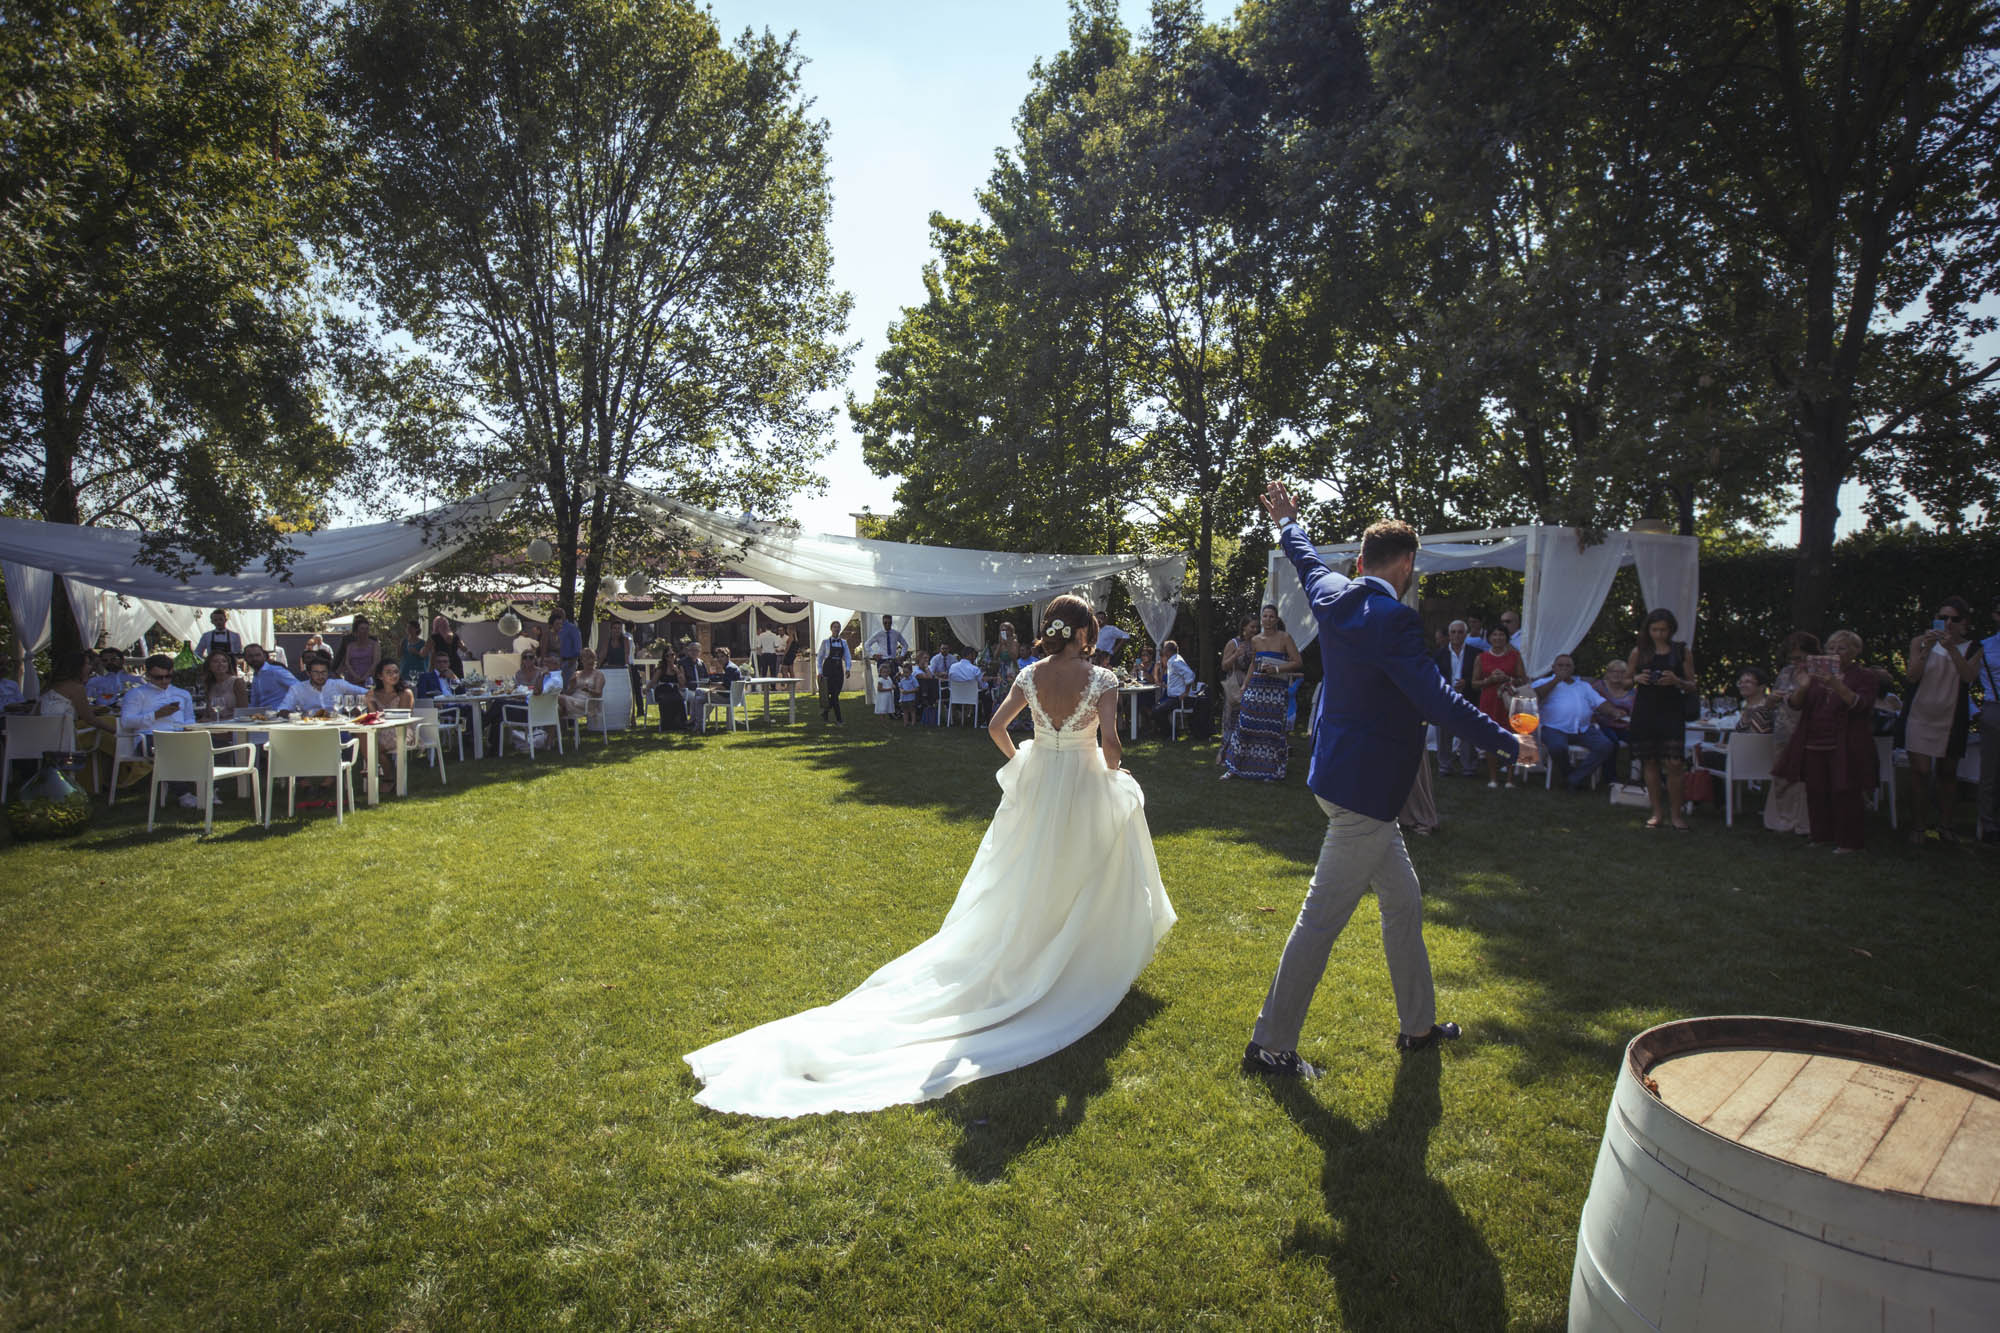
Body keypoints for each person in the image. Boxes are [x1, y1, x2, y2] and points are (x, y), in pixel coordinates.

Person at [684, 593, 1175, 1116]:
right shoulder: (1102, 679)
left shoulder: (1029, 675)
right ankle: (1076, 956)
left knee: (1028, 872)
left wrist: (1025, 761)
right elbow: (1111, 743)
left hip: (1040, 783)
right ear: (1084, 632)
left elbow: (996, 727)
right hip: (1083, 781)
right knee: (1087, 868)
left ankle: (1035, 947)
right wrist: (1112, 771)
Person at [1243, 485, 1520, 1079]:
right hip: (1364, 796)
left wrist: (1288, 520)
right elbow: (1439, 702)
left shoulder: (1332, 594)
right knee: (1319, 921)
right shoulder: (1395, 621)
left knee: (1403, 903)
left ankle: (1418, 1027)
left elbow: (1304, 556)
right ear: (1408, 565)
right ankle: (1269, 1046)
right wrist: (1511, 742)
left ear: (1361, 562)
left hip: (1340, 780)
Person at [1775, 629, 1879, 854]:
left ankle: (1849, 842)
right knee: (1816, 790)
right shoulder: (1815, 675)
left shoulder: (1864, 676)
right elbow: (1794, 704)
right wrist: (1804, 686)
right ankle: (1821, 836)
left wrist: (1836, 684)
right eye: (1831, 647)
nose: (1835, 652)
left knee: (1845, 789)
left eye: (1842, 648)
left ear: (1855, 651)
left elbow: (1861, 705)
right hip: (1813, 739)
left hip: (1846, 741)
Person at [1901, 596, 1979, 844]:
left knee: (1947, 772)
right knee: (1920, 771)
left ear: (1965, 622)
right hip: (1920, 714)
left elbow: (1968, 677)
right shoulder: (1919, 642)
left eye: (1954, 619)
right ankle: (1918, 826)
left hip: (1952, 716)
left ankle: (1946, 825)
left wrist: (1952, 649)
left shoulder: (1973, 648)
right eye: (1943, 618)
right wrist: (1927, 648)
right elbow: (1912, 676)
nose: (1948, 623)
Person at [1627, 609, 1698, 830]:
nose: (1659, 634)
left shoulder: (1681, 651)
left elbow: (1692, 685)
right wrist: (1637, 678)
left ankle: (1676, 814)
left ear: (1671, 630)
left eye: (1663, 630)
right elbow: (1626, 682)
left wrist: (1676, 681)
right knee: (1650, 761)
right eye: (1655, 630)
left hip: (1672, 711)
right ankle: (1657, 812)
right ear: (1648, 630)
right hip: (1645, 711)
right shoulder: (1639, 652)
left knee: (1675, 763)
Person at [1221, 605, 1304, 780]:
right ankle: (1235, 766)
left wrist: (1277, 669)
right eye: (1264, 616)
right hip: (1257, 686)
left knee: (1272, 730)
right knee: (1245, 724)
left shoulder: (1285, 638)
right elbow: (1254, 663)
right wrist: (1245, 685)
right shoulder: (1256, 640)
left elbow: (1297, 662)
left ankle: (1270, 770)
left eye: (1271, 616)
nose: (1267, 619)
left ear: (1276, 619)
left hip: (1276, 689)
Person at [118, 654, 203, 808]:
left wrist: (190, 728)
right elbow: (126, 721)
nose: (164, 681)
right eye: (158, 677)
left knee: (209, 744)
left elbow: (189, 718)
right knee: (168, 749)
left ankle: (208, 790)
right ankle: (184, 795)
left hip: (179, 736)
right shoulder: (137, 694)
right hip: (149, 738)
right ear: (148, 675)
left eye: (168, 676)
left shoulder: (182, 694)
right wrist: (156, 715)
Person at [1532, 653, 1615, 790]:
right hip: (1554, 728)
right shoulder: (1543, 683)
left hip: (1583, 728)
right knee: (1557, 748)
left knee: (1605, 745)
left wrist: (1613, 711)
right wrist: (1556, 680)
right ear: (1553, 667)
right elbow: (1535, 697)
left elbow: (1600, 703)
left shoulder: (1583, 686)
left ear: (1573, 668)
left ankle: (1573, 778)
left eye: (1568, 665)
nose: (1564, 668)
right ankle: (1571, 775)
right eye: (1560, 665)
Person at [1764, 633, 1818, 835]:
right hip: (1783, 730)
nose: (1796, 662)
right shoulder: (1786, 672)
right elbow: (1770, 704)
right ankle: (1783, 817)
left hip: (1808, 729)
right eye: (1792, 658)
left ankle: (1805, 820)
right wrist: (1772, 699)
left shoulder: (1820, 674)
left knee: (1806, 775)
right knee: (1783, 774)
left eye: (1800, 658)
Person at [1474, 625, 1526, 788]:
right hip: (1490, 701)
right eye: (1494, 634)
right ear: (1489, 638)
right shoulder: (1481, 657)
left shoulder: (1515, 656)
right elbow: (1474, 683)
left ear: (1506, 638)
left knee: (1511, 737)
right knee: (1491, 738)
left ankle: (1510, 778)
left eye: (1501, 635)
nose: (1497, 638)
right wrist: (1489, 680)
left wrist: (1507, 678)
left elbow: (1523, 679)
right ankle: (1493, 777)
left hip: (1509, 700)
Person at [1434, 619, 1485, 777]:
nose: (1456, 635)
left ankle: (1469, 766)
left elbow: (1480, 676)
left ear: (1466, 634)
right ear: (1449, 635)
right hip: (1446, 698)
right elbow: (1435, 677)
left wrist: (1467, 682)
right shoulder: (1439, 655)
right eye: (1453, 632)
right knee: (1444, 734)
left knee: (1468, 733)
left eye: (1460, 632)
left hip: (1468, 697)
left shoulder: (1476, 654)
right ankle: (1445, 765)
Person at [1217, 615, 1259, 765]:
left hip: (1253, 684)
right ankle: (1225, 755)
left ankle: (1245, 756)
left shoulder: (1257, 643)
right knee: (1231, 719)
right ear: (1244, 627)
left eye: (1256, 627)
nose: (1255, 630)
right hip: (1235, 684)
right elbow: (1224, 666)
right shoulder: (1233, 643)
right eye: (1252, 627)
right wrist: (1235, 655)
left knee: (1249, 719)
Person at [1975, 595, 1999, 844]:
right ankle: (1988, 824)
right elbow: (1963, 680)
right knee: (1990, 770)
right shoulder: (1984, 646)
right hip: (1994, 708)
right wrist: (1976, 711)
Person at [1592, 659, 1637, 781]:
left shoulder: (1632, 691)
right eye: (1614, 671)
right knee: (1612, 742)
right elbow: (1590, 706)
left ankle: (1637, 775)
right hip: (1602, 724)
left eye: (1622, 672)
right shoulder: (1598, 687)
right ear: (1607, 673)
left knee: (1641, 741)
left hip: (1624, 725)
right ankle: (1610, 777)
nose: (1617, 674)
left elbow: (1635, 711)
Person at [282, 654, 368, 715]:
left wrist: (359, 707)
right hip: (310, 728)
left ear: (328, 673)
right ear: (308, 673)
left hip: (338, 727)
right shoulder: (297, 689)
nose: (320, 676)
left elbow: (367, 693)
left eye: (323, 672)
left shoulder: (338, 684)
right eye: (316, 673)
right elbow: (283, 709)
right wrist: (293, 716)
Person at [1149, 639, 1200, 737]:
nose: (1162, 650)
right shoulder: (1173, 660)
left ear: (1168, 651)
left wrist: (1186, 692)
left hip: (1179, 698)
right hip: (1173, 697)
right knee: (1157, 710)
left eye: (1164, 648)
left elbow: (1190, 674)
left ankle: (1170, 734)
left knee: (1156, 711)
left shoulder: (1175, 661)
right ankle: (1170, 732)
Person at [241, 643, 297, 712]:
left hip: (280, 714)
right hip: (262, 715)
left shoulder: (276, 671)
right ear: (245, 658)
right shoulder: (256, 676)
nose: (254, 659)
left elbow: (299, 688)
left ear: (264, 656)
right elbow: (254, 702)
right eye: (250, 656)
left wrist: (287, 707)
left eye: (258, 655)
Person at [196, 649, 248, 720]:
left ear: (228, 665)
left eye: (224, 661)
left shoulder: (237, 682)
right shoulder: (210, 685)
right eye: (215, 661)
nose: (220, 664)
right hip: (213, 724)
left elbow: (243, 712)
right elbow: (208, 712)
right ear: (209, 666)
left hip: (232, 724)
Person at [816, 621, 852, 724]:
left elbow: (848, 656)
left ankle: (825, 711)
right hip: (828, 669)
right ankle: (839, 719)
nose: (836, 629)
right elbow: (819, 658)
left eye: (838, 627)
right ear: (831, 629)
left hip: (838, 670)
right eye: (834, 627)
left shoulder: (844, 642)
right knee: (829, 694)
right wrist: (820, 672)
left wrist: (848, 668)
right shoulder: (825, 642)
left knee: (836, 693)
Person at [331, 616, 379, 688]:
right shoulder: (349, 642)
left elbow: (376, 662)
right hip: (351, 677)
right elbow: (343, 659)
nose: (364, 631)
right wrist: (336, 671)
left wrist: (365, 677)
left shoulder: (374, 642)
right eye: (362, 628)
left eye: (367, 628)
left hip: (369, 677)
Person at [559, 648, 604, 724]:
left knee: (558, 698)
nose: (590, 660)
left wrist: (588, 690)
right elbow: (568, 693)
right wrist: (572, 685)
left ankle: (551, 728)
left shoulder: (598, 674)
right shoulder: (577, 674)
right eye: (587, 658)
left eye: (592, 658)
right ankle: (556, 730)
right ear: (582, 660)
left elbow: (599, 693)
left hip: (588, 703)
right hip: (573, 700)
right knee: (556, 708)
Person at [946, 645, 985, 722]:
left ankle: (959, 716)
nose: (975, 657)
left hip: (955, 695)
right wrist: (986, 684)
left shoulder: (953, 667)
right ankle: (983, 719)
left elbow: (950, 682)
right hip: (971, 696)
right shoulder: (975, 669)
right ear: (970, 655)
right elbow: (981, 685)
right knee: (987, 694)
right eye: (974, 655)